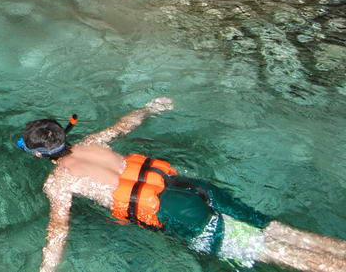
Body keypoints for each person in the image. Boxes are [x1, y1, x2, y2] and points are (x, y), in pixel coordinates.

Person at [18, 98, 346, 272]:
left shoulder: (59, 182)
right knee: (280, 232)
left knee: (273, 251)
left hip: (181, 213)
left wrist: (47, 268)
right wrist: (152, 107)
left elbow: (57, 230)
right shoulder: (94, 142)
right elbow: (126, 123)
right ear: (62, 134)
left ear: (37, 154)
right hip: (190, 186)